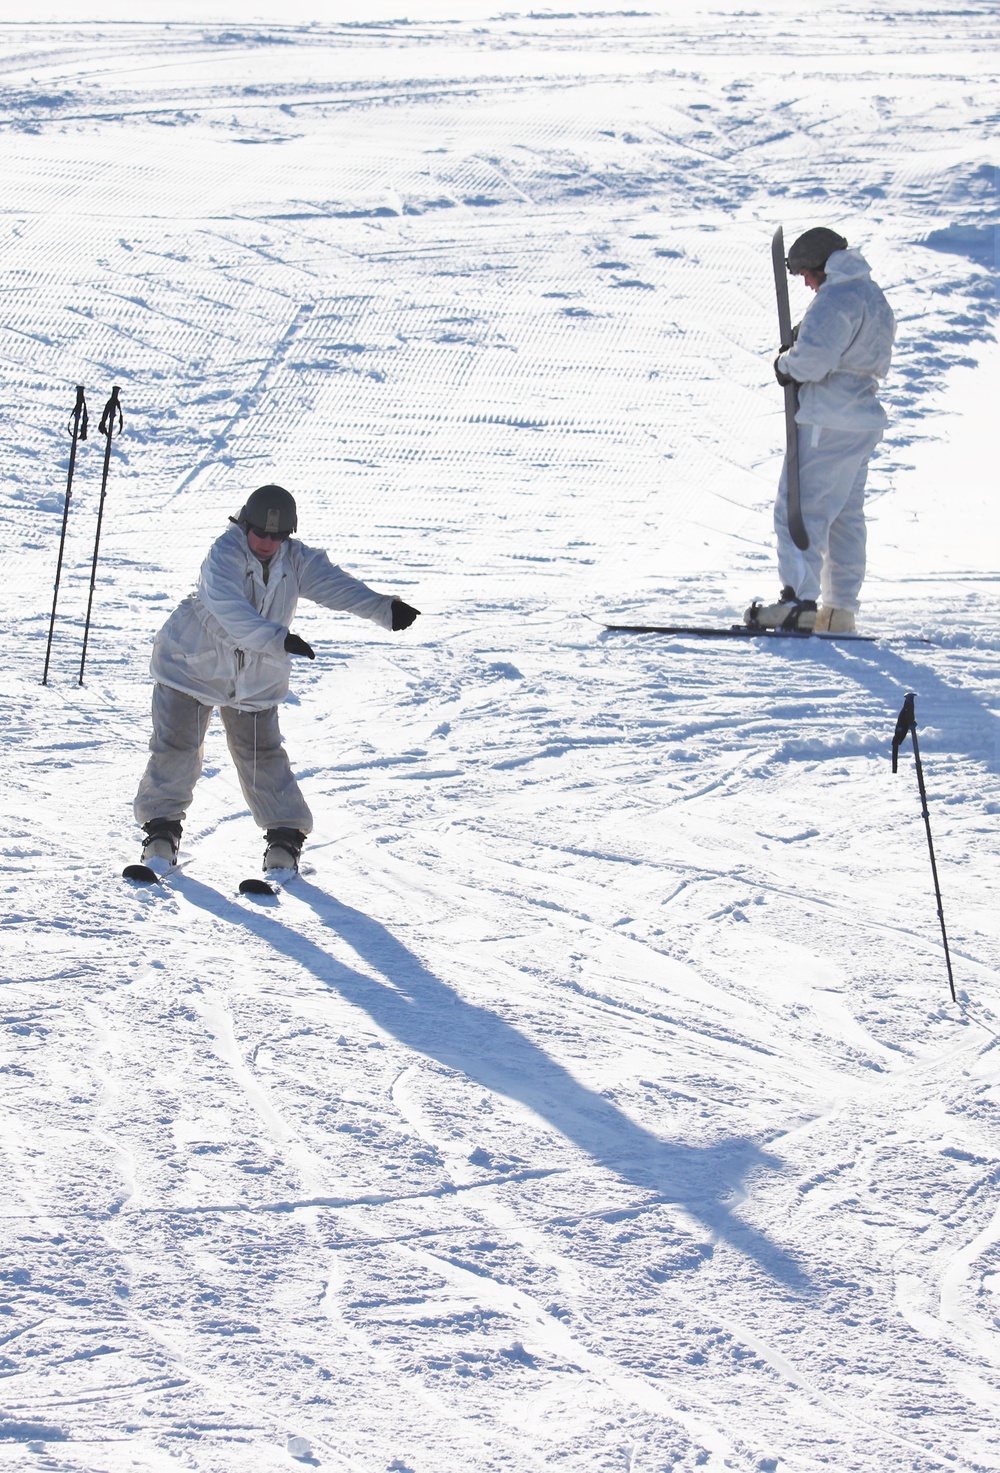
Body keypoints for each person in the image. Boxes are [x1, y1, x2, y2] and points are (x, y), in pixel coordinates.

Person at [133, 484, 419, 874]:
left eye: (278, 536)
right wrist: (278, 638)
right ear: (245, 524)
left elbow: (336, 585)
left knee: (261, 755)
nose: (268, 542)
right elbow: (229, 608)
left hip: (255, 675)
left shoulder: (295, 560)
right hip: (191, 662)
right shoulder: (224, 553)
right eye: (261, 533)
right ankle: (161, 832)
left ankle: (285, 837)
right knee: (177, 748)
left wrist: (385, 609)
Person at [746, 227, 895, 633]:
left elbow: (813, 362)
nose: (808, 285)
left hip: (826, 419)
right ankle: (839, 611)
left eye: (806, 275)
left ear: (821, 266)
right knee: (845, 517)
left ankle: (799, 602)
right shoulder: (872, 296)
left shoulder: (836, 298)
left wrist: (785, 363)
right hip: (860, 420)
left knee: (800, 509)